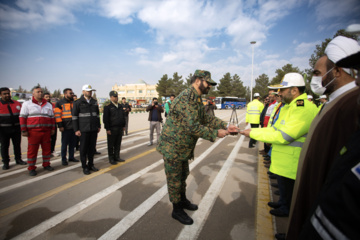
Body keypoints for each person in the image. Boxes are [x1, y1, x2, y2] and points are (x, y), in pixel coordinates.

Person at [286, 36, 360, 239]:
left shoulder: (351, 105)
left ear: (336, 71)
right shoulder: (336, 101)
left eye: (318, 73)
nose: (315, 78)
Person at [157, 69, 239, 225]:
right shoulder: (186, 98)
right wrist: (215, 133)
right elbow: (192, 127)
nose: (209, 86)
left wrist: (226, 125)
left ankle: (182, 201)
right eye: (208, 83)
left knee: (182, 176)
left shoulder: (196, 97)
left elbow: (205, 118)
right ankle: (176, 209)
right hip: (173, 147)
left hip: (182, 146)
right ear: (197, 80)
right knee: (175, 179)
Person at [240, 73, 318, 219]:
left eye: (282, 90)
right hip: (284, 159)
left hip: (293, 162)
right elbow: (274, 129)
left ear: (294, 90)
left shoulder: (303, 108)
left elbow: (284, 136)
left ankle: (287, 212)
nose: (279, 93)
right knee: (284, 189)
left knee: (292, 195)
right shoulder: (289, 106)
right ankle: (283, 203)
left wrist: (252, 134)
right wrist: (252, 131)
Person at [19, 86, 55, 176]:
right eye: (38, 92)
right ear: (33, 94)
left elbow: (52, 118)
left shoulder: (48, 104)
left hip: (46, 132)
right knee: (32, 151)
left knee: (47, 150)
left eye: (41, 92)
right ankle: (31, 168)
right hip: (33, 132)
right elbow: (22, 117)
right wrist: (24, 130)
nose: (40, 93)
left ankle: (46, 164)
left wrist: (53, 129)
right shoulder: (27, 104)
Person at [72, 84, 101, 175]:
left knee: (92, 149)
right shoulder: (78, 102)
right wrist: (76, 129)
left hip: (93, 129)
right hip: (83, 130)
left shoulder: (94, 101)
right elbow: (74, 117)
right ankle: (84, 167)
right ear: (83, 92)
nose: (90, 92)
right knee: (83, 149)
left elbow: (97, 115)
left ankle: (91, 164)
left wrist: (98, 125)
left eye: (91, 91)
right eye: (88, 91)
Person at [0, 87, 26, 170]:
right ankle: (6, 162)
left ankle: (18, 159)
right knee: (4, 146)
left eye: (8, 93)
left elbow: (23, 116)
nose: (7, 95)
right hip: (3, 130)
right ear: (0, 95)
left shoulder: (17, 103)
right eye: (5, 94)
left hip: (16, 129)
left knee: (17, 145)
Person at [54, 88, 79, 166]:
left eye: (72, 93)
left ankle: (71, 157)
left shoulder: (74, 103)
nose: (72, 94)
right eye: (70, 93)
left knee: (72, 144)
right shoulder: (59, 103)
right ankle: (63, 159)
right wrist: (60, 126)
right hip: (65, 127)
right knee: (64, 144)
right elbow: (57, 115)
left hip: (74, 127)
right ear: (65, 94)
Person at [103, 91, 126, 165]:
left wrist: (123, 125)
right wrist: (107, 129)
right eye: (114, 96)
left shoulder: (119, 106)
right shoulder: (108, 107)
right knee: (111, 145)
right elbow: (105, 119)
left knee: (118, 144)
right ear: (111, 97)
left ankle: (117, 156)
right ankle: (111, 158)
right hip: (112, 129)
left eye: (116, 96)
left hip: (119, 128)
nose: (116, 98)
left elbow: (122, 117)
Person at [44, 92, 59, 157]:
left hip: (53, 124)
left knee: (53, 138)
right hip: (45, 125)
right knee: (46, 139)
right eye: (46, 97)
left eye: (49, 97)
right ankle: (46, 152)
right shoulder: (42, 105)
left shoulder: (52, 105)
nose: (48, 98)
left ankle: (52, 151)